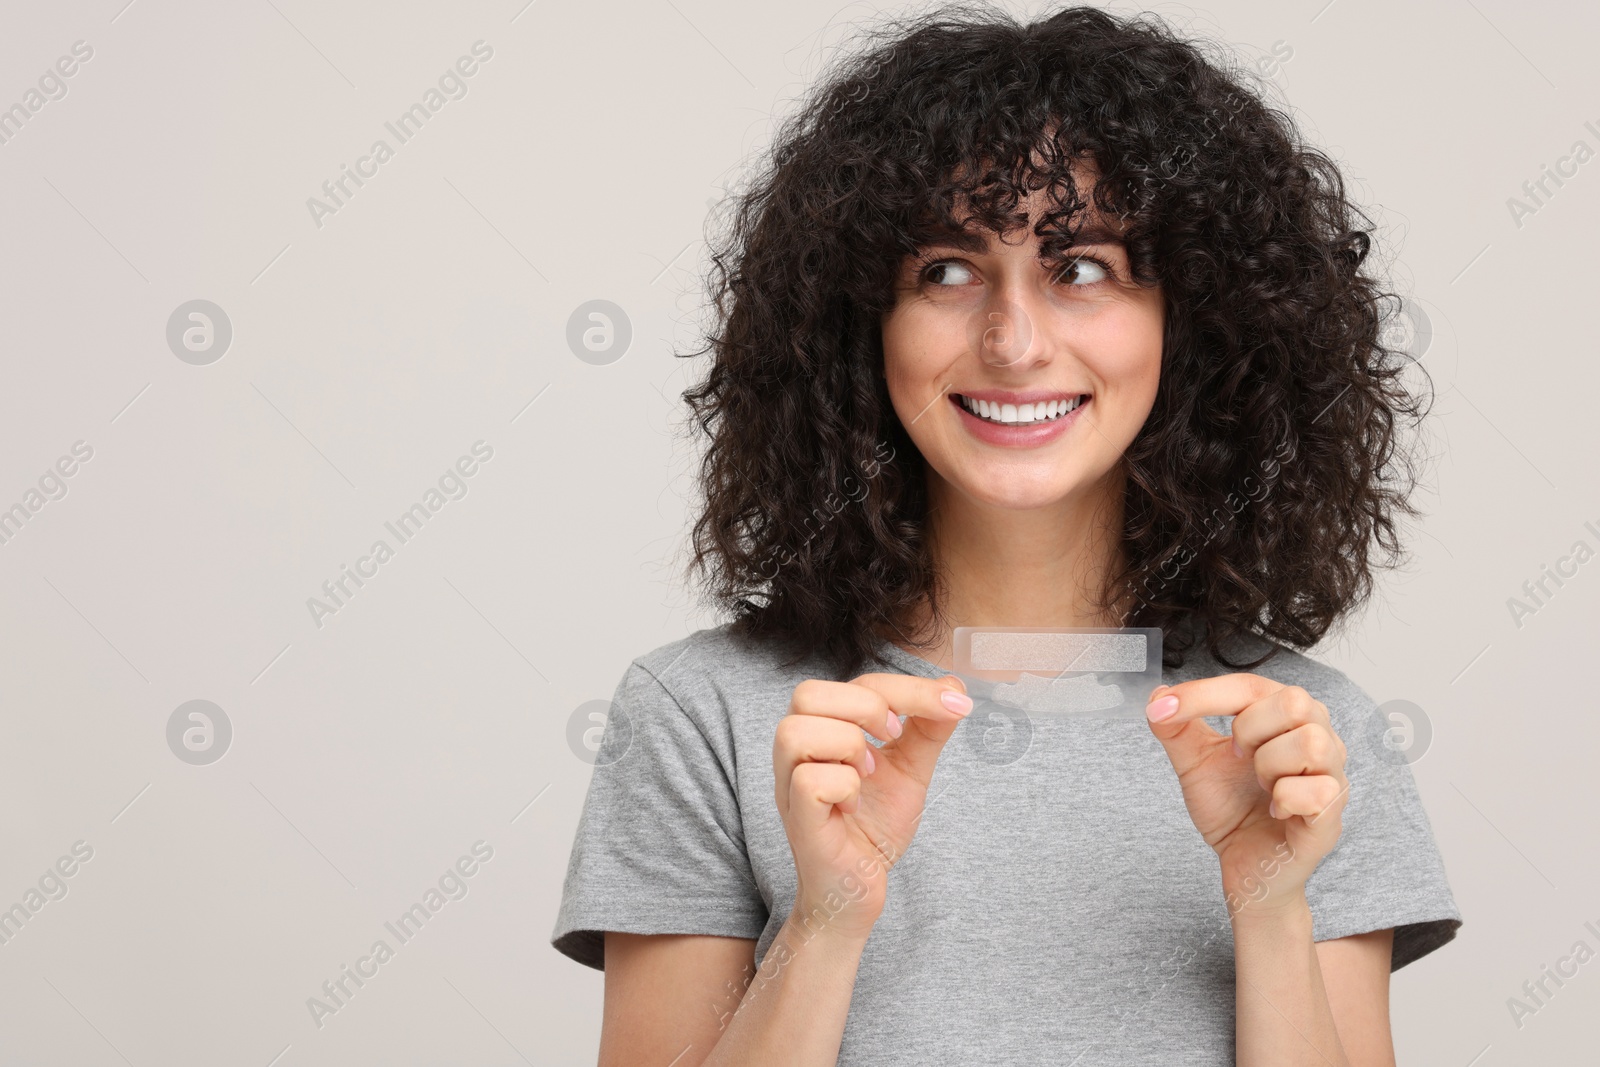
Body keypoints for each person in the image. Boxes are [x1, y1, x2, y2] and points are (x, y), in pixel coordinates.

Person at [552, 5, 1460, 1064]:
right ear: (860, 321)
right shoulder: (703, 718)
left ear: (1195, 321)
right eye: (945, 269)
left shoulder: (1297, 743)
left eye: (1082, 269)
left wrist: (1269, 905)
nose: (1013, 341)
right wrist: (826, 918)